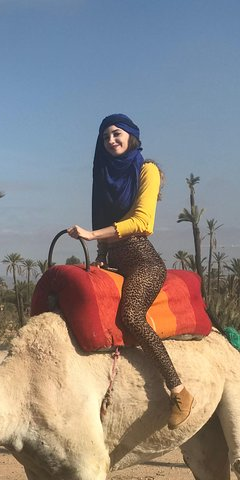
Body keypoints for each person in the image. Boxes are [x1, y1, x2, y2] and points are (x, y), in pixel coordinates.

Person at [67, 113, 194, 430]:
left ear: (131, 135)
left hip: (142, 261)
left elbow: (143, 223)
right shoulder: (104, 175)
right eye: (105, 136)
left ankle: (178, 391)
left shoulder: (145, 169)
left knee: (131, 316)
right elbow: (102, 223)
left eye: (116, 133)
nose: (111, 139)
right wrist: (98, 254)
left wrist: (93, 235)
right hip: (111, 259)